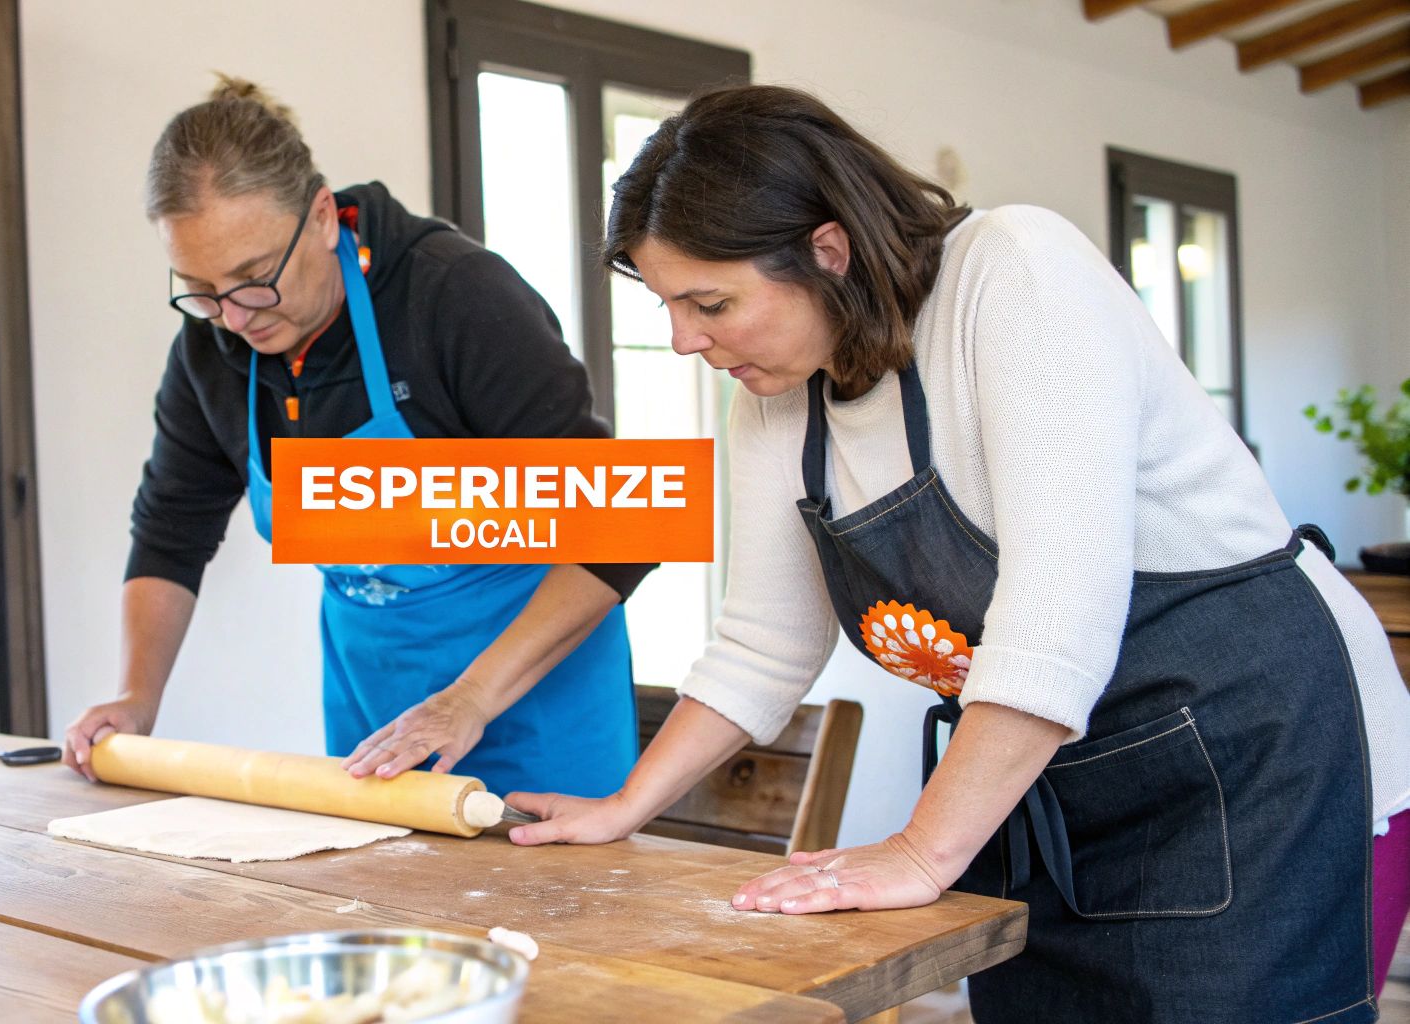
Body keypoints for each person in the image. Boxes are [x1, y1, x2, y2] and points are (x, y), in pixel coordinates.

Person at [503, 83, 1410, 1023]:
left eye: (710, 302)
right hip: (1046, 788)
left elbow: (1054, 625)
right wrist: (626, 806)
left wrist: (919, 850)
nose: (684, 341)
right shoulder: (776, 400)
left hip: (1258, 764)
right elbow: (763, 645)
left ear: (827, 250)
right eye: (669, 306)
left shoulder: (1015, 273)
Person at [61, 77, 654, 800]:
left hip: (536, 703)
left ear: (321, 217)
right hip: (375, 711)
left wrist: (470, 698)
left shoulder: (453, 296)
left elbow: (623, 527)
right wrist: (137, 697)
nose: (235, 318)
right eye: (201, 290)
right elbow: (169, 532)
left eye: (254, 278)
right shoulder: (210, 348)